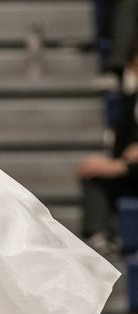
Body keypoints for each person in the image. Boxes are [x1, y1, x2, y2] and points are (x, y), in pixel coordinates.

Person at [78, 33, 138, 257]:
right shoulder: (130, 100)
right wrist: (113, 164)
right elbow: (121, 150)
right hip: (132, 173)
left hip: (132, 171)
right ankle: (99, 238)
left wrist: (122, 167)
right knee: (93, 171)